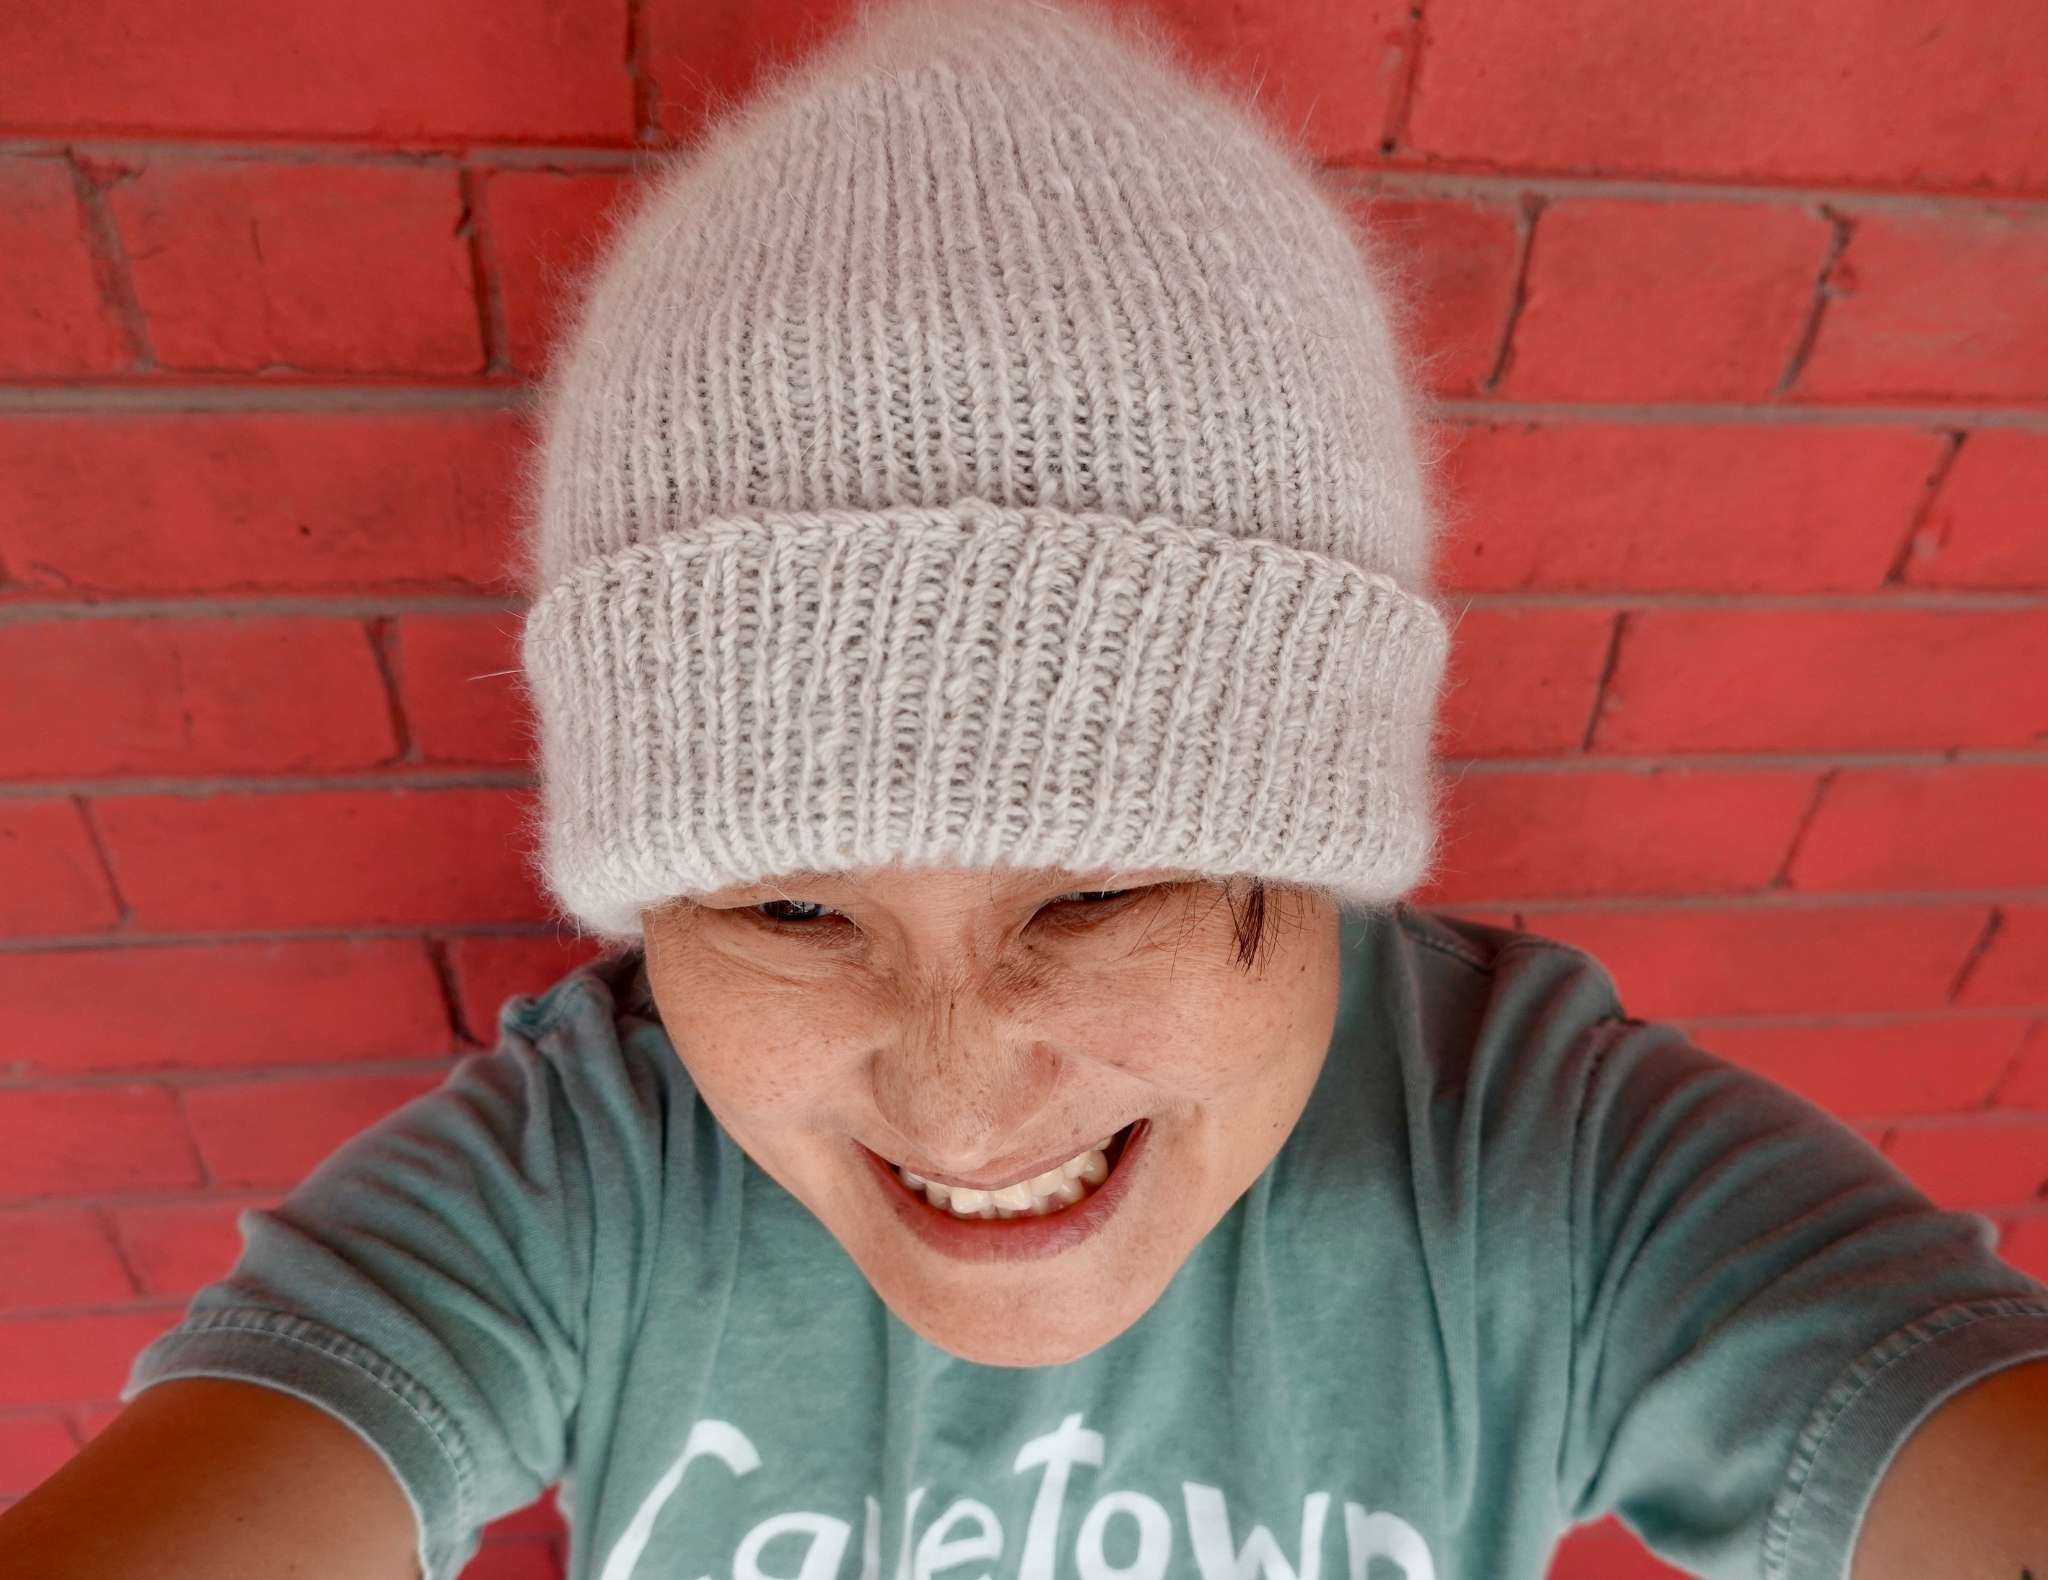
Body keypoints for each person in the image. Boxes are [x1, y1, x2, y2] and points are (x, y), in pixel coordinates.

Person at [6, 1, 2045, 1577]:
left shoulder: (1543, 1177)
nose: (963, 1103)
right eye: (791, 910)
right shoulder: (597, 1165)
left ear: (1309, 845)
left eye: (1096, 896)